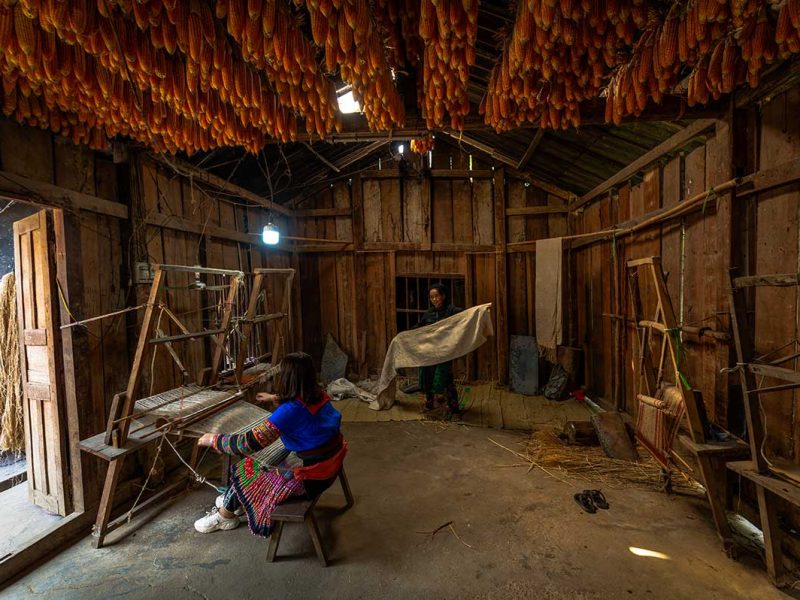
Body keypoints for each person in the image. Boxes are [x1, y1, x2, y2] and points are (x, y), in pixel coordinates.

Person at [194, 352, 345, 535]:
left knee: (248, 469)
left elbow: (247, 443)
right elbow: (299, 403)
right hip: (330, 463)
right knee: (262, 462)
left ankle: (225, 516)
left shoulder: (289, 412)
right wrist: (274, 398)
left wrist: (214, 439)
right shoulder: (319, 395)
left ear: (287, 378)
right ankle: (231, 500)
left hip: (311, 477)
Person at [415, 283, 462, 413]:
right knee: (428, 375)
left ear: (443, 296)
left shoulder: (451, 311)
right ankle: (429, 404)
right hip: (429, 351)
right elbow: (419, 327)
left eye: (437, 296)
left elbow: (468, 315)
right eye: (432, 297)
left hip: (444, 351)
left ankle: (454, 407)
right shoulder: (429, 313)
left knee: (445, 377)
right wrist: (404, 336)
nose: (434, 299)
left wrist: (480, 311)